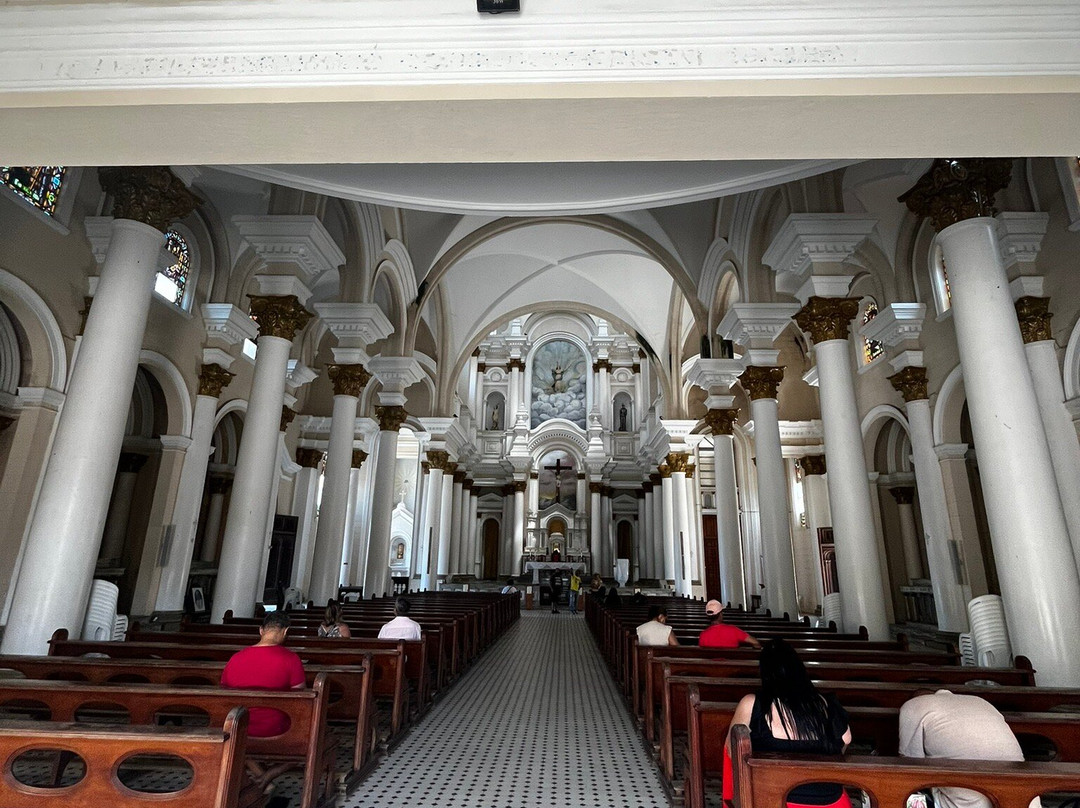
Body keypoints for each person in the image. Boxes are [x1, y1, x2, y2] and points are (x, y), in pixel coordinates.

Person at [723, 639, 852, 808]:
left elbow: (732, 751)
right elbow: (846, 739)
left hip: (772, 800)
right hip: (829, 799)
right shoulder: (825, 703)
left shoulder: (752, 704)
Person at [899, 689, 1041, 808]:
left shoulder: (912, 705)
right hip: (1026, 800)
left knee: (904, 793)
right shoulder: (980, 701)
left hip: (966, 805)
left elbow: (911, 763)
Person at [220, 611, 306, 738]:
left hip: (236, 727)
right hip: (276, 729)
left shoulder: (236, 658)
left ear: (261, 630)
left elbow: (224, 690)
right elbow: (300, 696)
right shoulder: (291, 659)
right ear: (286, 631)